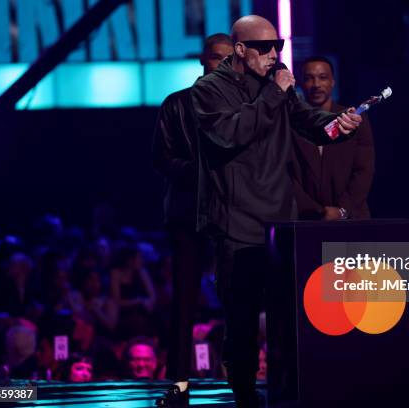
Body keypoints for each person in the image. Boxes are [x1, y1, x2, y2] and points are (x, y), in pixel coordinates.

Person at [191, 15, 362, 407]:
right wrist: (273, 94)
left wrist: (339, 125)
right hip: (238, 219)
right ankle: (245, 394)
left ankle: (291, 388)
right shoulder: (209, 90)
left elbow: (307, 121)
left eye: (279, 47)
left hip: (280, 220)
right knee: (243, 316)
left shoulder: (277, 85)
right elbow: (229, 133)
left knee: (288, 313)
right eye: (265, 48)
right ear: (239, 50)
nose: (274, 55)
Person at [152, 33, 234, 407]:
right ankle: (180, 381)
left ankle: (240, 376)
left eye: (229, 58)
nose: (224, 64)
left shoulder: (242, 106)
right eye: (217, 58)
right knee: (184, 300)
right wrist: (208, 172)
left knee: (239, 298)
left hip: (233, 214)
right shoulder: (177, 104)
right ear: (204, 61)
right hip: (188, 213)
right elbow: (163, 160)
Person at [292, 56, 375, 220]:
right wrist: (318, 212)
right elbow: (288, 176)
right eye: (309, 78)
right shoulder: (291, 123)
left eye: (323, 77)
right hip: (306, 220)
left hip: (352, 218)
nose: (316, 85)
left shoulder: (354, 118)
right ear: (301, 83)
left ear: (333, 82)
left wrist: (343, 210)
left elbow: (364, 170)